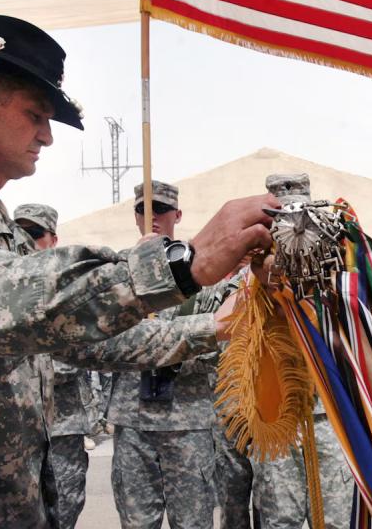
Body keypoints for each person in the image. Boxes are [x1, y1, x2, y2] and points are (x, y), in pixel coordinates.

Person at [0, 15, 278, 528]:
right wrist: (182, 264)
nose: (46, 135)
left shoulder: (2, 233)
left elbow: (83, 342)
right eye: (34, 115)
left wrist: (213, 327)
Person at [108, 181, 220, 529]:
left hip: (187, 422)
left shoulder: (203, 275)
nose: (151, 217)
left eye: (160, 210)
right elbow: (104, 343)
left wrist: (177, 349)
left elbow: (223, 346)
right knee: (137, 522)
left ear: (178, 215)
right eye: (143, 210)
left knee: (193, 522)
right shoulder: (116, 272)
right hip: (133, 421)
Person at [250, 174, 353, 529]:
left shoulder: (338, 262)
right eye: (281, 215)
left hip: (329, 414)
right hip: (277, 414)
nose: (292, 225)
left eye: (300, 214)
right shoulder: (250, 266)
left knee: (338, 518)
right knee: (280, 519)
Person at [14, 203, 93, 529]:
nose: (28, 241)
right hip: (18, 431)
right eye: (20, 233)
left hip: (62, 428)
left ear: (53, 239)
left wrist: (21, 359)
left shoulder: (69, 290)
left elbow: (74, 359)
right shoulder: (7, 290)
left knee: (63, 514)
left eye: (35, 233)